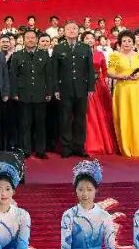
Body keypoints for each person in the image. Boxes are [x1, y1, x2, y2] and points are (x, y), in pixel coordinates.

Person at [9, 30, 56, 159]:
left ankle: (41, 150)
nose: (30, 40)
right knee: (25, 124)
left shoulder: (44, 54)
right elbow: (13, 76)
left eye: (33, 37)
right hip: (24, 94)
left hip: (40, 94)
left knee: (40, 124)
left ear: (36, 40)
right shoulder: (17, 55)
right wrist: (14, 92)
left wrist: (49, 91)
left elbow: (49, 75)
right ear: (24, 40)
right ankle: (26, 150)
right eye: (28, 37)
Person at [53, 21, 97, 158]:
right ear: (64, 31)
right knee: (65, 119)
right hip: (64, 89)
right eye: (69, 29)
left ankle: (79, 147)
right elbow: (54, 70)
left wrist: (90, 87)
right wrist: (56, 89)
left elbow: (90, 69)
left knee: (80, 119)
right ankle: (66, 147)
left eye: (74, 28)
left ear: (78, 31)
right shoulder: (58, 48)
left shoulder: (85, 47)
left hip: (81, 88)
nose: (72, 30)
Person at [81, 31, 118, 155]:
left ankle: (104, 141)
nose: (90, 40)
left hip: (99, 86)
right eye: (87, 38)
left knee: (102, 114)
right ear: (82, 41)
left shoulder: (99, 53)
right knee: (88, 114)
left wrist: (103, 80)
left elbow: (105, 71)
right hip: (84, 86)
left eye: (92, 38)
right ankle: (89, 142)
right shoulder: (79, 53)